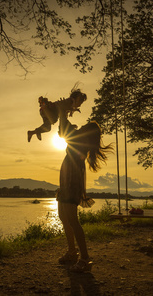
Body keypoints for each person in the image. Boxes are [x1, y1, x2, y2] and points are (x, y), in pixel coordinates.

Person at [56, 104, 113, 272]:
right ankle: (72, 252)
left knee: (73, 220)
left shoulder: (80, 143)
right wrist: (64, 113)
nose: (79, 128)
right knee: (63, 217)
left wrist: (63, 109)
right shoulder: (80, 142)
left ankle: (85, 258)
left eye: (82, 128)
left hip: (71, 182)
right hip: (67, 180)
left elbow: (64, 129)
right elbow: (65, 130)